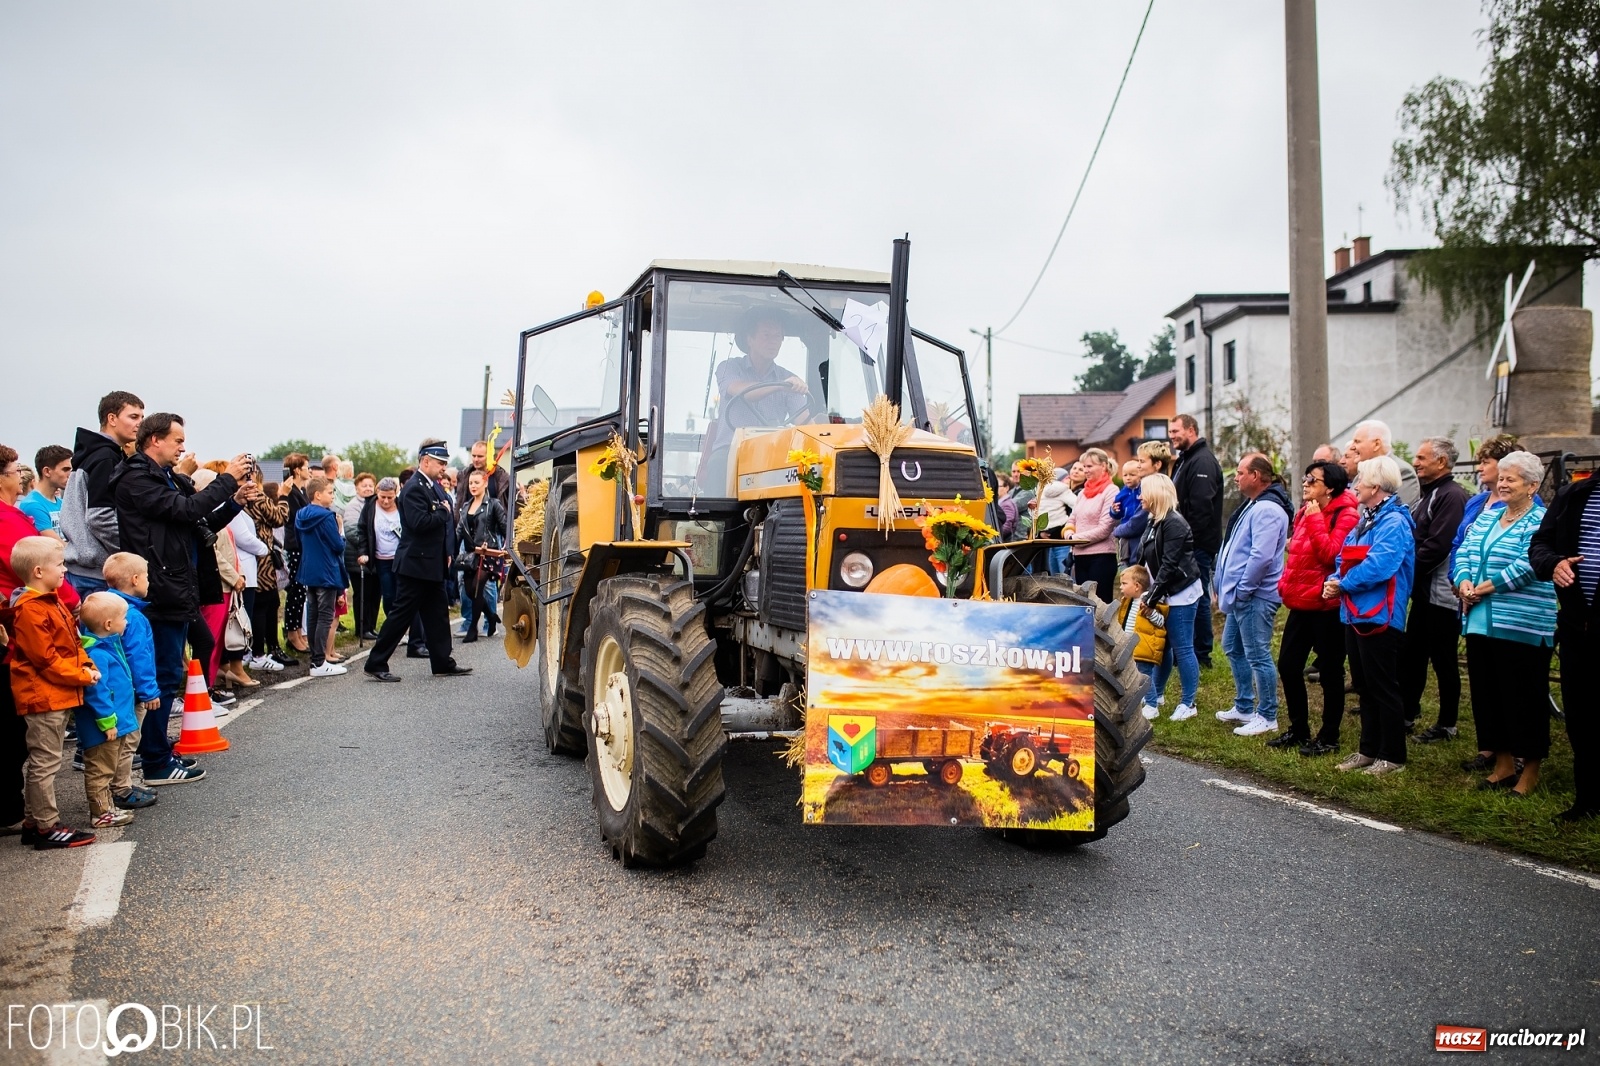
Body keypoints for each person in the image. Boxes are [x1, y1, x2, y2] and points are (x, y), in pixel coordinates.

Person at [111, 413, 249, 785]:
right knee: (161, 674)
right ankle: (154, 761)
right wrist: (227, 478)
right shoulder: (136, 477)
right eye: (177, 440)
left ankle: (158, 750)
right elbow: (186, 509)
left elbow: (199, 524)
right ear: (154, 440)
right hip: (158, 588)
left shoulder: (166, 477)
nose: (182, 447)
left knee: (169, 671)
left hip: (176, 585)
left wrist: (234, 500)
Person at [1453, 451, 1555, 797]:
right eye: (1502, 477)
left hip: (1522, 624)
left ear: (1532, 485)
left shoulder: (1541, 521)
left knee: (1523, 697)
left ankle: (1530, 772)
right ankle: (1503, 765)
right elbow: (1464, 552)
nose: (1503, 483)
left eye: (1512, 478)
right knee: (1488, 696)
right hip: (1480, 621)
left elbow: (1530, 565)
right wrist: (1464, 581)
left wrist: (1484, 587)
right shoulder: (1488, 517)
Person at [1324, 455, 1416, 776]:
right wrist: (1335, 580)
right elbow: (1344, 556)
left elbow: (1381, 565)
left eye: (1359, 480)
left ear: (1375, 486)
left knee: (1382, 686)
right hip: (1355, 613)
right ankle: (1368, 750)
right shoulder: (1367, 519)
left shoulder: (1394, 522)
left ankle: (1392, 756)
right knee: (1364, 685)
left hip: (1380, 616)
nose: (1354, 485)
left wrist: (1342, 585)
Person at [8, 536, 99, 848]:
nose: (64, 570)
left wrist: (85, 663)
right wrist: (80, 676)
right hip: (43, 695)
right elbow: (45, 659)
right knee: (45, 762)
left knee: (45, 760)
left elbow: (71, 644)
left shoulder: (51, 599)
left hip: (54, 692)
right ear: (37, 571)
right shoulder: (32, 610)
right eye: (59, 565)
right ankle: (47, 827)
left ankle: (35, 822)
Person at [1528, 450, 1600, 821]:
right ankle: (1587, 800)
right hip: (1576, 626)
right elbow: (1540, 545)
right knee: (1581, 715)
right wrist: (1553, 563)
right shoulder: (1576, 494)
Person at [364, 440, 471, 682]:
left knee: (438, 616)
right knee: (401, 616)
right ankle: (376, 662)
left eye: (445, 463)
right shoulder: (414, 488)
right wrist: (442, 512)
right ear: (425, 461)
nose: (443, 467)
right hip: (415, 565)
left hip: (430, 565)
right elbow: (419, 523)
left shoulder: (431, 486)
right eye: (440, 462)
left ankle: (443, 661)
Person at [1274, 460, 1359, 754]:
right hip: (1301, 601)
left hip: (1327, 605)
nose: (1306, 483)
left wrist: (1314, 520)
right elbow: (1297, 557)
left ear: (1331, 487)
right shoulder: (1306, 511)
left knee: (1331, 672)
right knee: (1287, 665)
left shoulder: (1345, 515)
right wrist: (1285, 584)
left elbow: (1331, 555)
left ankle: (1329, 736)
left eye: (1313, 480)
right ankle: (1298, 730)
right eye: (1306, 478)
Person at [1211, 455, 1291, 736]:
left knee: (1258, 654)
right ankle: (1244, 706)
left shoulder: (1267, 509)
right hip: (1241, 595)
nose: (1236, 476)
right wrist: (1222, 586)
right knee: (1232, 645)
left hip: (1255, 596)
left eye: (1241, 472)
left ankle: (1267, 715)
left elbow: (1262, 557)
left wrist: (1242, 589)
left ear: (1256, 476)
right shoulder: (1254, 505)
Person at [1404, 437, 1470, 741]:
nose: (1415, 462)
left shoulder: (1452, 495)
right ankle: (1407, 713)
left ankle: (1447, 724)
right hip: (1423, 592)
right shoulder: (1429, 493)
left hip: (1442, 594)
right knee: (1413, 655)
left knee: (1443, 660)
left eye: (1421, 457)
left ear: (1441, 462)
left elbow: (1439, 545)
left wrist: (1404, 571)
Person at [703, 308, 813, 490]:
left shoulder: (788, 378)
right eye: (766, 335)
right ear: (750, 339)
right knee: (718, 463)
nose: (773, 342)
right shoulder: (729, 368)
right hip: (731, 450)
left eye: (778, 336)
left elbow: (805, 422)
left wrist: (827, 429)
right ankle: (713, 518)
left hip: (771, 453)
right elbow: (743, 391)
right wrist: (780, 385)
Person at [60, 390, 144, 597]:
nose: (140, 424)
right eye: (133, 417)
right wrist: (132, 550)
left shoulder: (96, 452)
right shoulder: (106, 457)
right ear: (112, 418)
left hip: (85, 567)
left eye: (142, 418)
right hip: (96, 572)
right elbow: (100, 516)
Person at [1136, 474, 1203, 721]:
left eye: (1144, 491)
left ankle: (1189, 702)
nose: (1140, 496)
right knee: (1162, 648)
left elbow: (1169, 565)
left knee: (1182, 647)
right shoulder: (1154, 520)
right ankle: (1159, 695)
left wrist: (1150, 598)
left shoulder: (1174, 522)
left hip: (1181, 594)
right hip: (1164, 592)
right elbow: (1144, 557)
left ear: (1155, 494)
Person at [76, 593, 139, 829]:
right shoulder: (98, 654)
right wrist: (107, 721)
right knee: (100, 770)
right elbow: (97, 691)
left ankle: (107, 807)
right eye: (124, 618)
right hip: (105, 726)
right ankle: (100, 812)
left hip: (115, 722)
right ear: (109, 624)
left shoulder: (107, 647)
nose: (128, 622)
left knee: (107, 767)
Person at [103, 553, 160, 812]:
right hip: (133, 691)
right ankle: (122, 789)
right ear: (135, 580)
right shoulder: (132, 616)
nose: (149, 581)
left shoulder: (104, 607)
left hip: (114, 688)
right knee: (129, 741)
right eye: (147, 576)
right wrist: (149, 691)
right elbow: (139, 657)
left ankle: (119, 785)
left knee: (120, 742)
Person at [1168, 414, 1223, 667]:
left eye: (1176, 431)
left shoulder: (1202, 462)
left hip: (1197, 545)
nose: (1172, 436)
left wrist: (1187, 542)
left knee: (1197, 596)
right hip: (1186, 543)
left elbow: (1202, 508)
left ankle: (1201, 655)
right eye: (1170, 431)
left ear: (1191, 430)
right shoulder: (1185, 459)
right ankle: (1187, 650)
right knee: (1187, 595)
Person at [295, 476, 349, 677]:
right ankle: (319, 662)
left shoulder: (301, 514)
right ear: (318, 494)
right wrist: (341, 530)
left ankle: (316, 660)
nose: (332, 496)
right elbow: (337, 545)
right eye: (330, 492)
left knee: (313, 614)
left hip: (309, 568)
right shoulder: (327, 517)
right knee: (325, 615)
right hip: (327, 569)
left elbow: (299, 541)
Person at [456, 468, 507, 643]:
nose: (473, 486)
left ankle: (473, 629)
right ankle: (491, 616)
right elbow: (459, 531)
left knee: (477, 587)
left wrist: (506, 548)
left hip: (488, 553)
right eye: (471, 483)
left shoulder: (493, 504)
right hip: (471, 554)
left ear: (485, 483)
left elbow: (505, 528)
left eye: (476, 482)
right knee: (469, 590)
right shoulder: (465, 506)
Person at [245, 476, 291, 671]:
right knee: (264, 604)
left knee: (269, 603)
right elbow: (279, 518)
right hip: (261, 559)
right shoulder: (256, 496)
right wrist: (283, 497)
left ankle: (268, 649)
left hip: (255, 557)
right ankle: (260, 653)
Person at [1115, 564, 1168, 718]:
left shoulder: (1149, 601)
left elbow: (1160, 621)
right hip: (1132, 647)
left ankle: (1152, 705)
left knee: (1144, 677)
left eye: (1124, 584)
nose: (1121, 588)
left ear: (1137, 586)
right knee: (1133, 676)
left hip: (1144, 648)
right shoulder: (1130, 601)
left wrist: (1150, 613)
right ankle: (1142, 699)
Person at [1066, 448, 1119, 600]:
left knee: (1100, 605)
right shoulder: (1082, 493)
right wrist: (1068, 534)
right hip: (1080, 557)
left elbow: (1105, 528)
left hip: (1101, 558)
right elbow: (1072, 519)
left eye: (1089, 466)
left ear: (1103, 466)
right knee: (1084, 603)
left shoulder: (1111, 491)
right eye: (1084, 467)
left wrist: (1075, 539)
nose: (1085, 470)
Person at [279, 453, 312, 654]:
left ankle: (299, 631)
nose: (309, 469)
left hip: (302, 545)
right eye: (306, 466)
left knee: (301, 592)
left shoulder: (301, 491)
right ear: (297, 470)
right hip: (294, 544)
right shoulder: (290, 492)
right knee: (296, 591)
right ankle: (292, 633)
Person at [1349, 420, 1420, 506]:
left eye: (1357, 441)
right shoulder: (1361, 474)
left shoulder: (1401, 472)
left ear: (1377, 444)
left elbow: (1398, 510)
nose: (1352, 447)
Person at [345, 473, 381, 639]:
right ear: (357, 488)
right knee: (363, 594)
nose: (367, 488)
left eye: (370, 485)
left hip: (374, 558)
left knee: (374, 594)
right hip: (357, 557)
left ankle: (371, 626)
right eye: (364, 485)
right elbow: (352, 531)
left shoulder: (375, 502)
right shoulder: (354, 506)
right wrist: (366, 548)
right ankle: (362, 628)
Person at [20, 445, 71, 536]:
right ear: (47, 471)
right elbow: (54, 544)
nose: (70, 474)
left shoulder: (61, 502)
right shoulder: (32, 504)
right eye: (65, 469)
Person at [455, 440, 510, 510]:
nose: (476, 459)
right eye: (473, 456)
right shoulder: (463, 476)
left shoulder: (502, 478)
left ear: (489, 456)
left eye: (480, 456)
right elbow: (459, 503)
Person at [1112, 461, 1147, 565]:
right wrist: (1114, 511)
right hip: (1126, 528)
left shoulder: (1143, 490)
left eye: (1132, 475)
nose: (1128, 478)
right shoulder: (1121, 494)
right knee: (1125, 555)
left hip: (1140, 527)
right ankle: (1124, 564)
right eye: (1125, 475)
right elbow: (1117, 515)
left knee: (1138, 555)